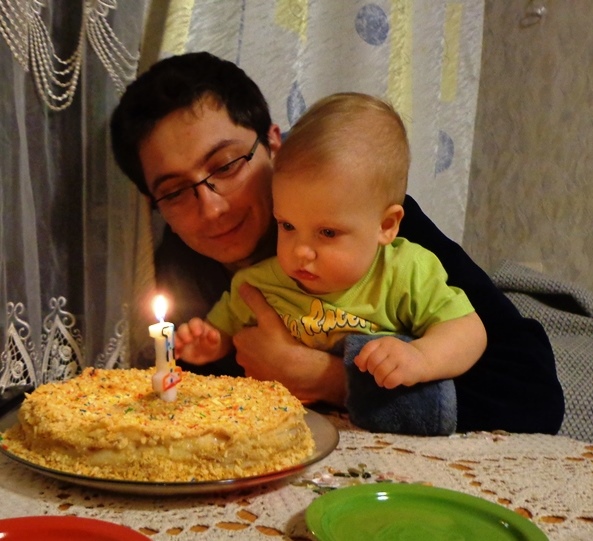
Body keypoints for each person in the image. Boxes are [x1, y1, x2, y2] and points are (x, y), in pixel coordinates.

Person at [110, 51, 564, 434]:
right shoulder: (180, 276)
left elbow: (533, 394)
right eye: (175, 191)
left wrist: (329, 378)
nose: (210, 208)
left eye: (226, 165)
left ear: (274, 145)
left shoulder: (372, 227)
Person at [174, 92, 487, 398]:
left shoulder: (406, 272)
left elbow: (469, 331)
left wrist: (421, 357)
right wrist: (209, 344)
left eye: (327, 233)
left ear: (386, 226)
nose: (300, 251)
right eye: (288, 226)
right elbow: (223, 331)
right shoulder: (257, 284)